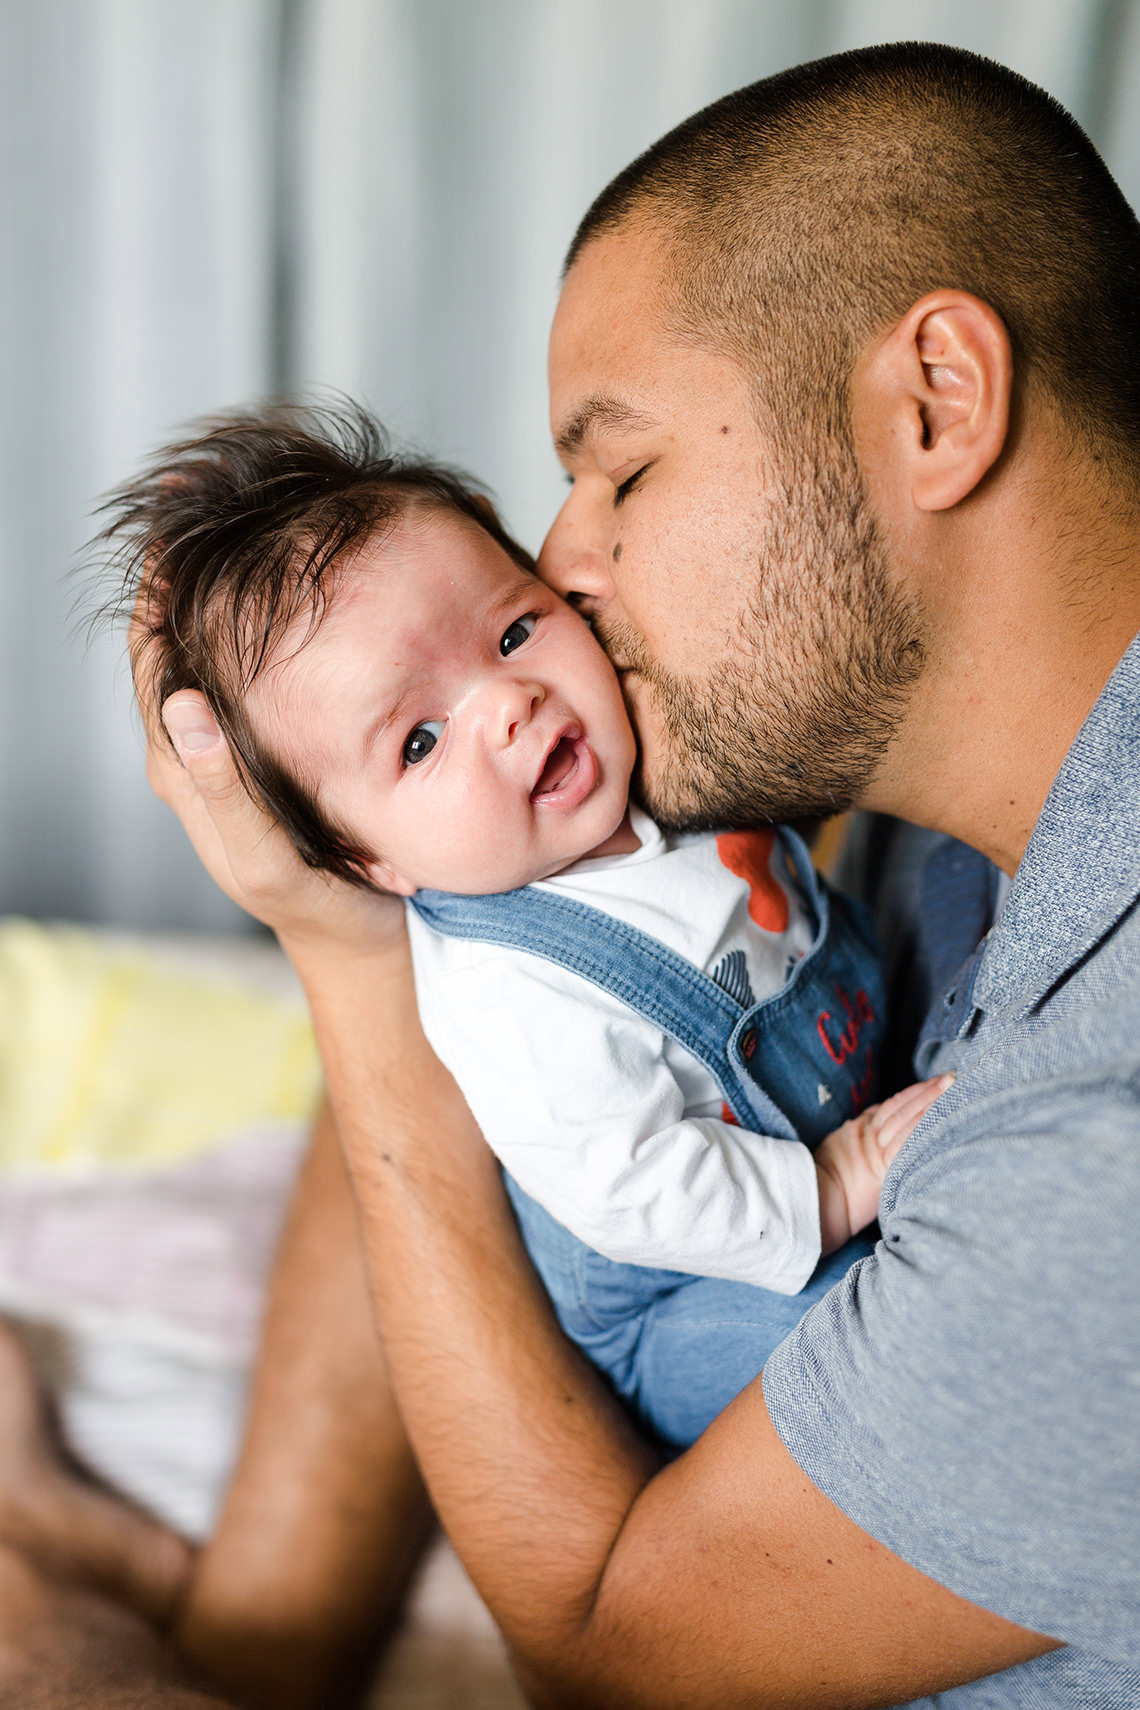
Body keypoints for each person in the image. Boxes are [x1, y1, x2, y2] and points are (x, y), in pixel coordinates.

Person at [131, 37, 1140, 1709]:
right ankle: (254, 1633)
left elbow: (608, 1651)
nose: (564, 561)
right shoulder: (925, 805)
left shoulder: (1102, 1156)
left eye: (621, 472)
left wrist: (354, 965)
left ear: (937, 405)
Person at [111, 403, 949, 1452]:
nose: (506, 703)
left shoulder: (650, 761)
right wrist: (830, 1188)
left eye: (514, 631)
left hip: (813, 1118)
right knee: (859, 1331)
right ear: (374, 863)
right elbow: (633, 1188)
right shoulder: (520, 995)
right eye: (419, 741)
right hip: (686, 1286)